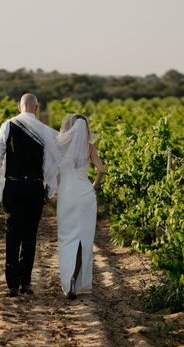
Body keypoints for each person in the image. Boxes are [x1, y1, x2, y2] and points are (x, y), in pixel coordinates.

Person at [0, 93, 60, 297]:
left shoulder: (8, 126)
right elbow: (51, 163)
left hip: (13, 186)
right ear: (36, 107)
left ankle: (12, 285)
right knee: (30, 236)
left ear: (19, 107)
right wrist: (50, 189)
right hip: (34, 188)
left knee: (12, 235)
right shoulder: (43, 130)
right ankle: (26, 283)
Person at [56, 114, 105, 299]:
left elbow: (51, 171)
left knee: (66, 238)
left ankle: (68, 284)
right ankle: (75, 280)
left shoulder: (60, 146)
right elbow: (101, 170)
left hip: (67, 195)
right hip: (85, 194)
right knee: (83, 239)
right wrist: (93, 186)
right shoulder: (89, 147)